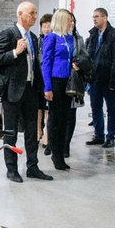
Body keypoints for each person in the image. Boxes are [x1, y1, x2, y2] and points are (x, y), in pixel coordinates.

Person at [0, 1, 53, 183]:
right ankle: (11, 169)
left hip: (30, 90)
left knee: (32, 130)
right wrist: (15, 52)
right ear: (20, 14)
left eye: (35, 13)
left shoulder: (33, 37)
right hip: (13, 91)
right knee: (10, 131)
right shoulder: (9, 34)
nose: (35, 16)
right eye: (31, 13)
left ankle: (32, 167)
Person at [86, 8, 115, 148]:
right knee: (95, 107)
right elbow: (89, 54)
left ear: (105, 18)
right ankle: (99, 135)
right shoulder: (93, 34)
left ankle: (111, 136)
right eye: (93, 16)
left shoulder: (114, 35)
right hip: (95, 78)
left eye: (97, 16)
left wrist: (114, 80)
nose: (95, 19)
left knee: (111, 108)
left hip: (108, 78)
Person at [42, 9, 76, 171]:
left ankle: (61, 152)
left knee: (65, 119)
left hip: (67, 82)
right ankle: (55, 153)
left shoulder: (69, 38)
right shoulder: (51, 37)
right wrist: (47, 87)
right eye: (69, 20)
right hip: (55, 81)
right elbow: (46, 62)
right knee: (55, 119)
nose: (71, 23)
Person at [65, 15, 88, 158]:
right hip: (60, 80)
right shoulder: (57, 38)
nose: (72, 23)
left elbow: (85, 56)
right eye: (69, 21)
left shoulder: (79, 39)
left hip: (74, 82)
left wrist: (80, 64)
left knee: (71, 114)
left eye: (73, 21)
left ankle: (66, 144)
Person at [38, 13, 53, 155]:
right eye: (44, 26)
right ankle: (38, 132)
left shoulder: (54, 40)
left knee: (48, 109)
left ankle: (47, 136)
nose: (46, 29)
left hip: (49, 78)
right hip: (38, 79)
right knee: (38, 108)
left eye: (49, 26)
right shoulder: (38, 41)